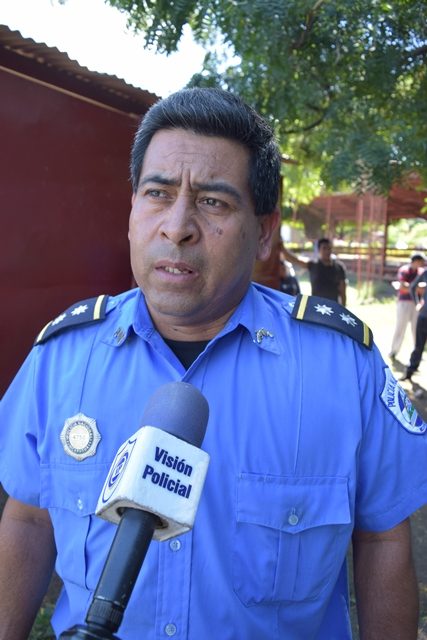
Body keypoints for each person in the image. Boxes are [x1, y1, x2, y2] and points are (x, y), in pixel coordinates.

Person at [0, 87, 426, 640]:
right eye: (157, 193)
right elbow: (29, 518)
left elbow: (382, 539)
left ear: (264, 233)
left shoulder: (344, 368)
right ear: (132, 213)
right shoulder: (60, 358)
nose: (177, 226)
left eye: (213, 202)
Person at [282, 237, 347, 305]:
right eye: (324, 248)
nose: (327, 251)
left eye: (329, 248)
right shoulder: (313, 265)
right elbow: (294, 260)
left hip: (333, 306)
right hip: (316, 306)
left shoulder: (338, 268)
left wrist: (343, 308)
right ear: (319, 250)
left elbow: (343, 292)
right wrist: (282, 248)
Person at [389, 252, 426, 360]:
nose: (423, 263)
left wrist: (410, 287)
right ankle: (394, 350)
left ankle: (417, 353)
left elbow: (420, 289)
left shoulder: (421, 272)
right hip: (404, 302)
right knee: (400, 327)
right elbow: (402, 286)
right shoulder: (405, 270)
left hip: (417, 303)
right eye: (421, 261)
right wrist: (415, 288)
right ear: (416, 261)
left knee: (416, 330)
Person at [401, 267, 427, 381]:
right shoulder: (425, 272)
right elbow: (412, 286)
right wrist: (417, 303)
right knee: (418, 345)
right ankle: (410, 371)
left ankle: (410, 371)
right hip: (424, 315)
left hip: (423, 315)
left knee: (418, 346)